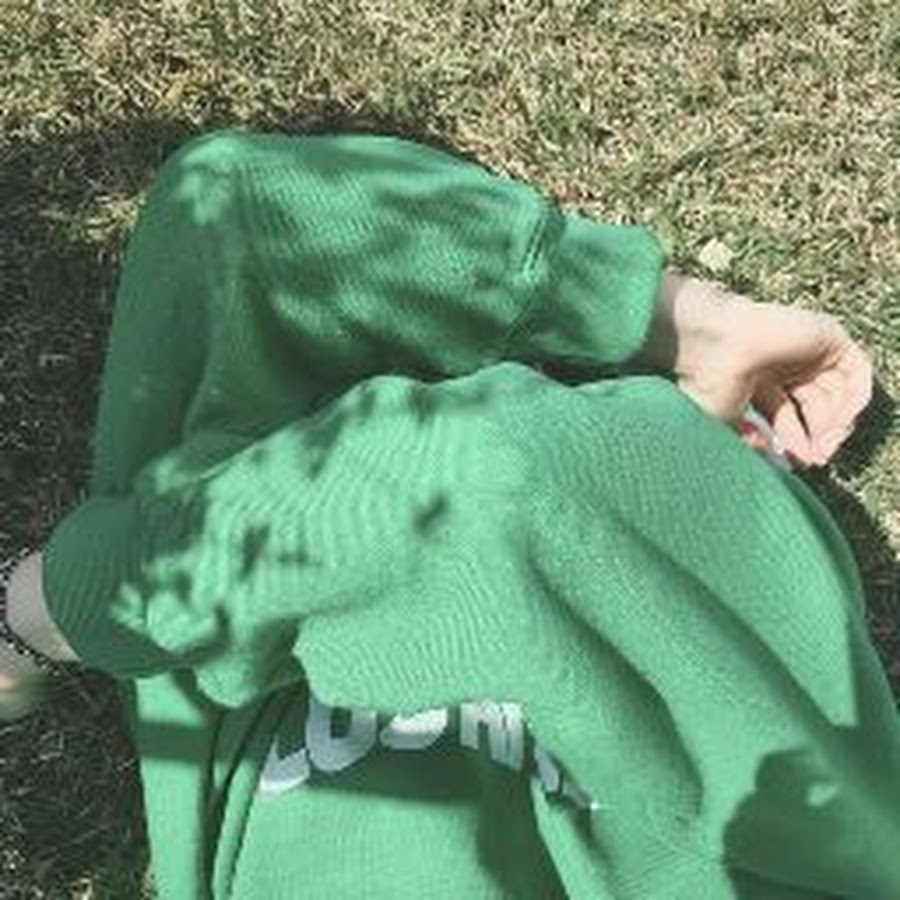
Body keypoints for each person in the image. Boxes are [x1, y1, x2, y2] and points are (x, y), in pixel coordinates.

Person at [1, 129, 897, 899]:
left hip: (237, 669)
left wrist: (64, 609)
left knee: (224, 211)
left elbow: (245, 209)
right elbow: (479, 491)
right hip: (654, 585)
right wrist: (50, 608)